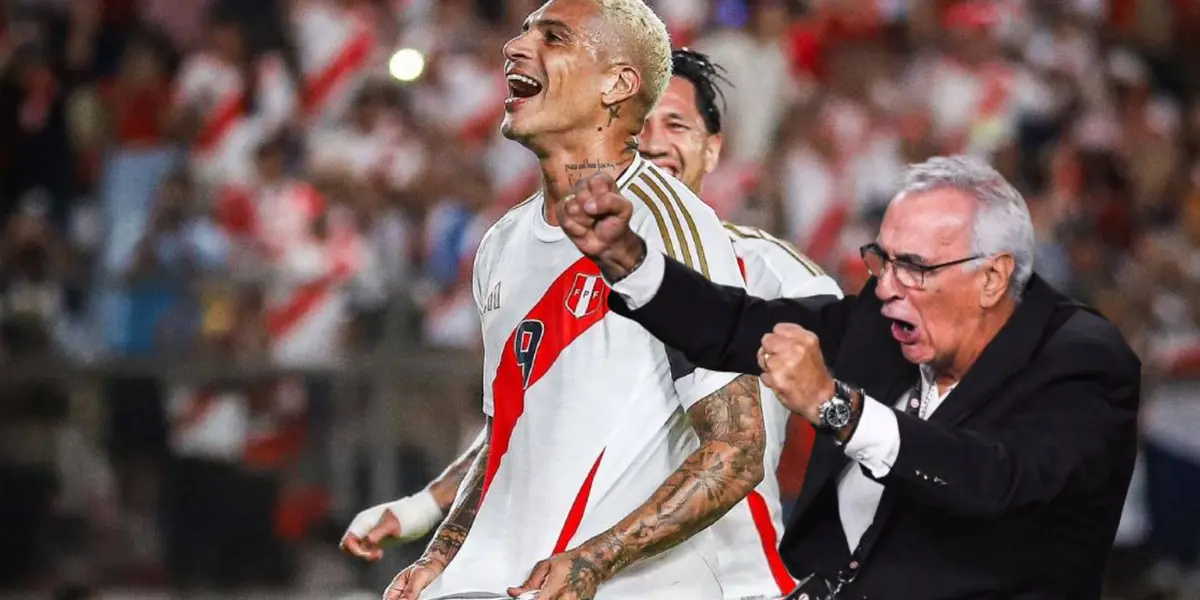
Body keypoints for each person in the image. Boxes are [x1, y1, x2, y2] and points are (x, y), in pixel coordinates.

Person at [342, 49, 842, 600]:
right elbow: (517, 430)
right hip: (573, 581)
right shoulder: (556, 262)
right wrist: (426, 518)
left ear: (713, 147)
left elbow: (853, 416)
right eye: (639, 122)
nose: (652, 141)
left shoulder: (781, 277)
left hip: (730, 580)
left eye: (676, 124)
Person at [556, 155, 1142, 599]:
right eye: (881, 259)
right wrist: (630, 261)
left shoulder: (1084, 362)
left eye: (913, 267)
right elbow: (738, 325)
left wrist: (839, 407)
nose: (885, 286)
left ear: (993, 278)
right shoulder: (884, 319)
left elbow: (991, 478)